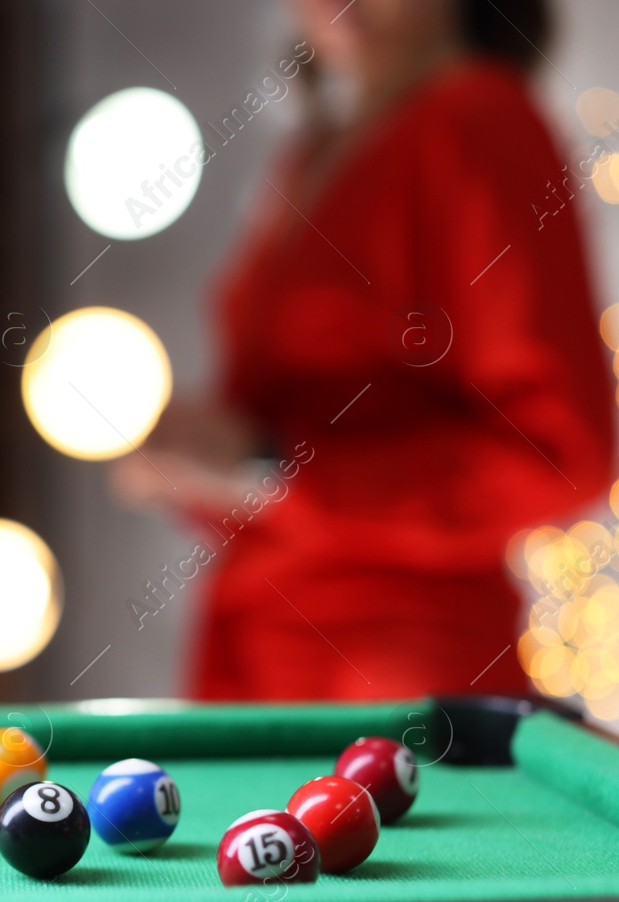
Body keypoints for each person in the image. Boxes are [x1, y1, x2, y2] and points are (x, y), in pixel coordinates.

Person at [113, 0, 613, 699]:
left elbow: (562, 455)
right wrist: (196, 465)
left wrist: (271, 467)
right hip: (254, 661)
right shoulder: (313, 152)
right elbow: (275, 446)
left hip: (393, 680)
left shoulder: (479, 121)